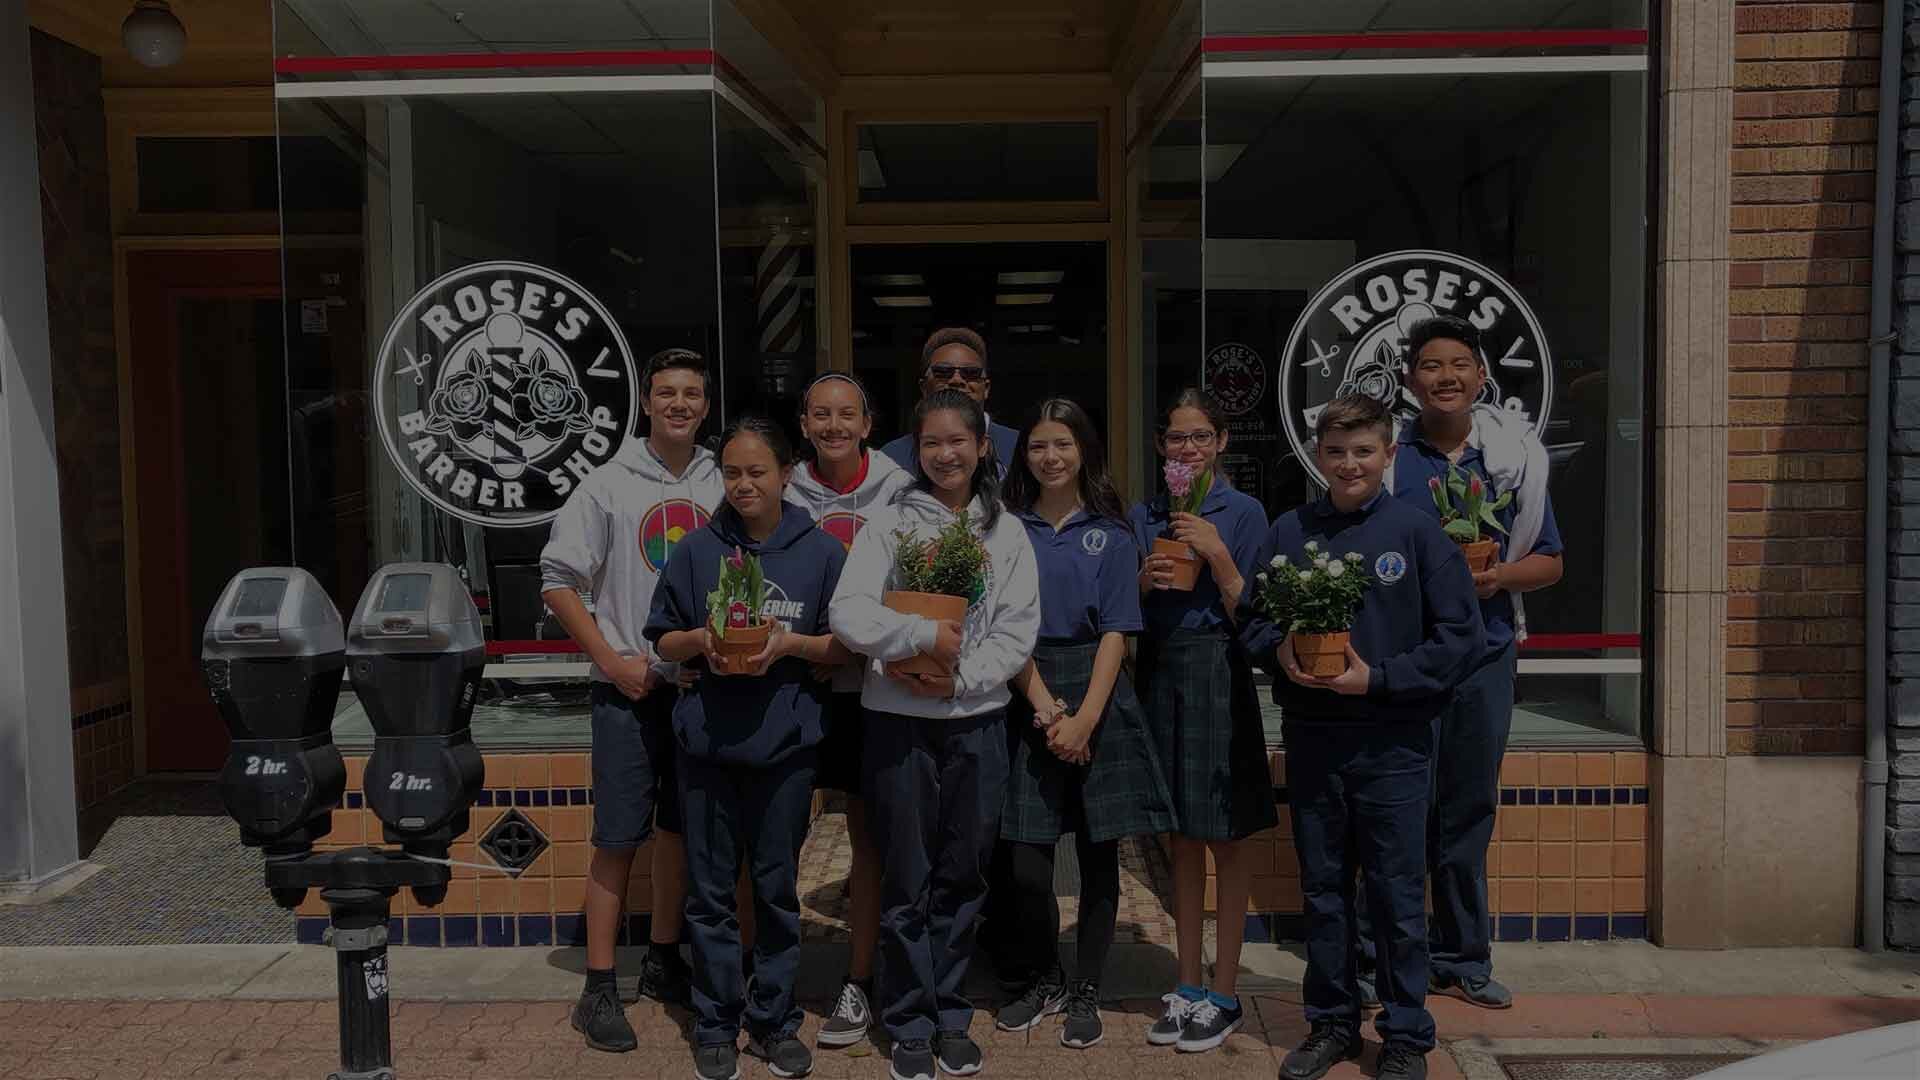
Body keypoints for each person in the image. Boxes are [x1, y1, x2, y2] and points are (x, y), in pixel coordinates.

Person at [1239, 393, 1483, 1080]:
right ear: (1318, 455)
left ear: (1388, 456)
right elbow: (1253, 619)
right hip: (1314, 739)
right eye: (1337, 451)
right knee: (1323, 892)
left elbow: (1460, 638)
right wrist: (1281, 649)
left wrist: (1379, 679)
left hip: (1394, 745)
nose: (1349, 464)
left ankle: (1405, 1033)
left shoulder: (1416, 533)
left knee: (1397, 895)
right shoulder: (1289, 531)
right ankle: (1332, 1024)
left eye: (1363, 452)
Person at [829, 388, 1040, 1080]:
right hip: (896, 728)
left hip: (976, 725)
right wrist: (918, 635)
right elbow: (849, 614)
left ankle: (951, 1013)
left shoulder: (1006, 533)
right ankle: (907, 1019)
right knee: (905, 877)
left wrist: (960, 678)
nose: (945, 454)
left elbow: (1016, 632)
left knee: (962, 873)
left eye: (958, 441)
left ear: (983, 448)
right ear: (915, 451)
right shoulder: (888, 525)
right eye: (930, 443)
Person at [1361, 315, 1564, 1011]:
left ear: (1481, 376)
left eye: (1458, 365)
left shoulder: (1511, 459)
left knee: (1466, 811)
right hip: (1406, 661)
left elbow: (1549, 562)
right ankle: (1377, 956)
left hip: (1483, 657)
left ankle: (1462, 957)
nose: (1444, 377)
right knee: (1394, 812)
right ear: (1409, 381)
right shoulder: (1388, 460)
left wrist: (1497, 578)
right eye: (1429, 365)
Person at [646, 417, 854, 1080]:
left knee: (774, 891)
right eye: (731, 472)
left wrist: (791, 645)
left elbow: (844, 646)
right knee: (709, 893)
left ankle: (772, 1021)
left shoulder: (820, 554)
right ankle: (714, 1021)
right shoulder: (696, 549)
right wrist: (701, 642)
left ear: (787, 473)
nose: (743, 485)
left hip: (786, 749)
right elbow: (662, 638)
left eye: (757, 472)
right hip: (706, 747)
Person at [541, 347, 720, 1052]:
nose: (679, 404)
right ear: (647, 402)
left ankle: (666, 959)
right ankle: (598, 987)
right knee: (618, 839)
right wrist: (610, 661)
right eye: (667, 393)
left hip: (698, 689)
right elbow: (558, 581)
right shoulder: (606, 484)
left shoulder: (721, 479)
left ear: (706, 406)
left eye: (692, 394)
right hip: (628, 689)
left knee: (679, 833)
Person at [996, 398, 1175, 1049]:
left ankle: (1088, 986)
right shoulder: (1005, 529)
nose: (1051, 456)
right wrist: (1047, 710)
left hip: (1099, 693)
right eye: (1039, 445)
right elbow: (1006, 629)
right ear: (1025, 455)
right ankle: (1043, 975)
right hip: (1028, 688)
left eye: (1063, 445)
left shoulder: (1113, 530)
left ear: (1084, 451)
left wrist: (1087, 719)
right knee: (1024, 860)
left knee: (1100, 857)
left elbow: (1118, 631)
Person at [1128, 388, 1273, 1053]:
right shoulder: (1145, 513)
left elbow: (1259, 616)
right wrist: (1140, 580)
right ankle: (1185, 986)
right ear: (1162, 447)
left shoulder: (1243, 512)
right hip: (1159, 669)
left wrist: (1216, 553)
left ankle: (1225, 991)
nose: (1187, 448)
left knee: (1226, 836)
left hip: (1219, 666)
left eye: (1200, 437)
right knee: (1180, 837)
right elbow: (1122, 610)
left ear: (1219, 444)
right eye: (1176, 438)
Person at [783, 372, 913, 1049]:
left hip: (871, 694)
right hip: (796, 687)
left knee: (868, 841)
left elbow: (916, 583)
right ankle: (767, 980)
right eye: (821, 415)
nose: (834, 426)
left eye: (847, 415)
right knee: (778, 838)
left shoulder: (898, 486)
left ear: (867, 423)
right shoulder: (782, 489)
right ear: (804, 423)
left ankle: (859, 980)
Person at [878, 327, 1019, 479]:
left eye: (971, 373)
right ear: (924, 387)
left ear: (986, 388)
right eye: (942, 372)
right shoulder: (891, 457)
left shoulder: (1021, 446)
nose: (956, 380)